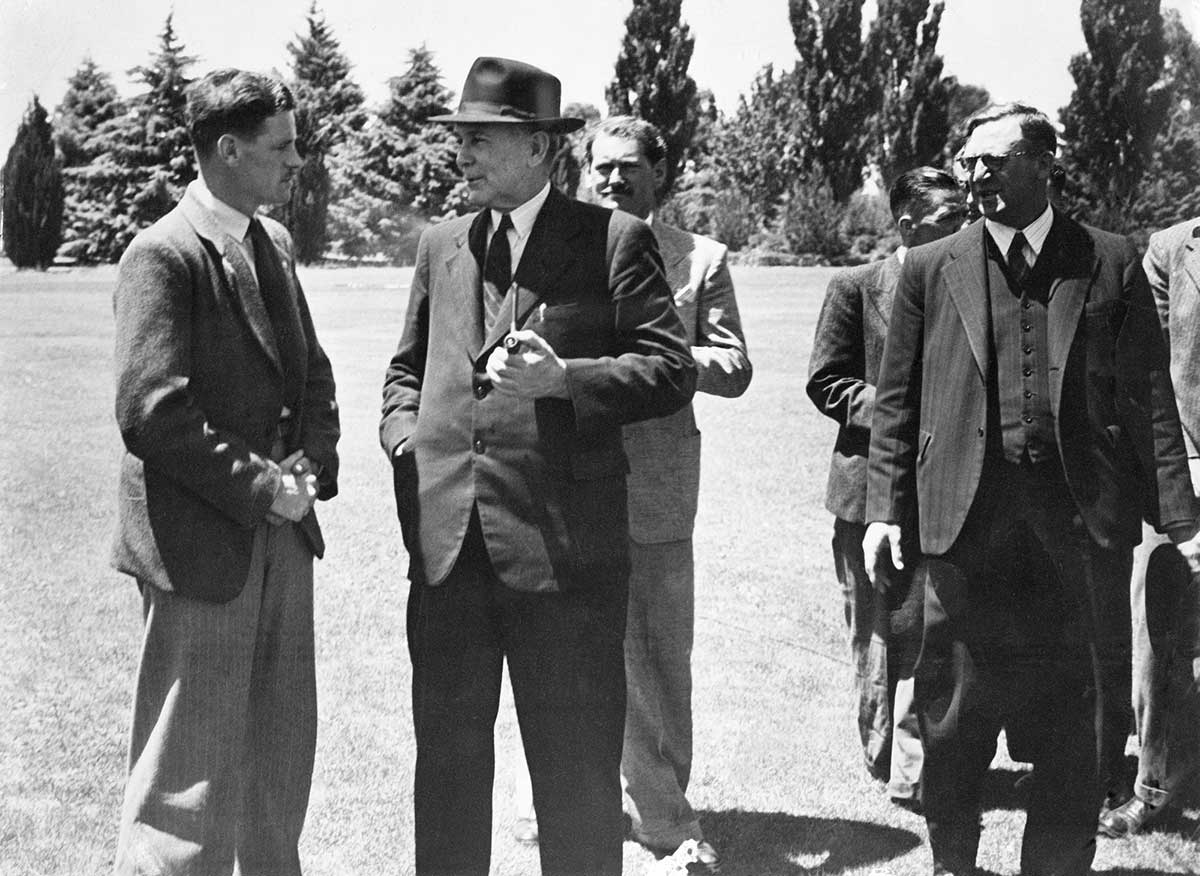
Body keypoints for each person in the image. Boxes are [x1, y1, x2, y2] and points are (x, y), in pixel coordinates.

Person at [862, 102, 1200, 875]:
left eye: (995, 160)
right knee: (953, 717)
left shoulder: (1110, 260)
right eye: (969, 161)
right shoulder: (929, 265)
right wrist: (885, 509)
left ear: (1044, 163)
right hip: (965, 534)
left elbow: (1149, 398)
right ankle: (953, 861)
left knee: (1079, 720)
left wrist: (1180, 521)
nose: (976, 174)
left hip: (1082, 533)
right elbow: (895, 402)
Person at [379, 57, 696, 876]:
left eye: (482, 139)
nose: (465, 155)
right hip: (448, 556)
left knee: (577, 779)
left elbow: (670, 368)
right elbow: (406, 372)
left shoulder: (612, 240)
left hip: (567, 559)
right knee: (446, 771)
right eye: (462, 139)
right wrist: (406, 443)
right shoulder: (442, 245)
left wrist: (568, 379)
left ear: (539, 148)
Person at [110, 69, 340, 875]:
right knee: (188, 777)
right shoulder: (161, 255)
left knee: (277, 758)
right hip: (200, 552)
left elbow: (310, 369)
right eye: (281, 147)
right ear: (228, 149)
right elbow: (152, 411)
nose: (296, 161)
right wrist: (262, 486)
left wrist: (311, 464)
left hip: (283, 541)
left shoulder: (270, 242)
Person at [589, 115, 752, 869]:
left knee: (657, 651)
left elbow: (733, 367)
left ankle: (663, 805)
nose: (612, 180)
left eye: (627, 168)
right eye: (600, 168)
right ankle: (619, 807)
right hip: (566, 479)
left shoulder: (702, 259)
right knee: (571, 647)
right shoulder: (567, 248)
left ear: (661, 172)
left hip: (655, 483)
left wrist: (656, 355)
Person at [807, 167, 967, 809]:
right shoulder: (855, 286)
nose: (964, 230)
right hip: (866, 489)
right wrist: (904, 411)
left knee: (933, 626)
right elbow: (826, 382)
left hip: (948, 489)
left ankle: (922, 763)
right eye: (947, 220)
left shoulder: (970, 284)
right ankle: (883, 757)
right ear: (907, 225)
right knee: (874, 629)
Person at [1097, 218, 1200, 838]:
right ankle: (1155, 784)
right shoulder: (1168, 249)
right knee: (1157, 634)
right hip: (1189, 476)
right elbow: (1149, 379)